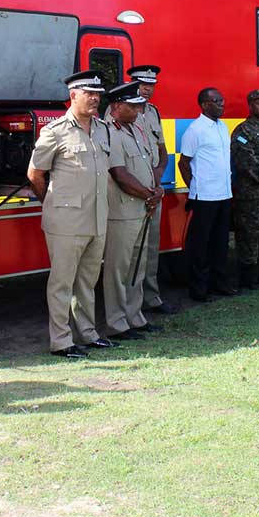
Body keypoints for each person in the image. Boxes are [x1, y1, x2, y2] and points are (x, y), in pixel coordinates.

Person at [27, 71, 119, 359]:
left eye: (98, 94)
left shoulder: (102, 129)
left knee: (87, 281)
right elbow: (35, 174)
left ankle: (88, 334)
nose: (95, 99)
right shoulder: (54, 131)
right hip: (66, 221)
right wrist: (53, 204)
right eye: (89, 93)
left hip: (96, 217)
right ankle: (62, 341)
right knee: (62, 283)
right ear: (73, 96)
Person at [101, 81, 164, 340]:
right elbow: (120, 175)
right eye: (132, 106)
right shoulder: (109, 132)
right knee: (118, 269)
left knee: (137, 266)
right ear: (116, 106)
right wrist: (149, 195)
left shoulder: (136, 130)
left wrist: (154, 190)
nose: (138, 110)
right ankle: (117, 324)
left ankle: (135, 316)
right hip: (123, 210)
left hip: (142, 207)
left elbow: (150, 165)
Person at [128, 64, 179, 315]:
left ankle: (152, 297)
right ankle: (131, 302)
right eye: (142, 84)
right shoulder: (119, 110)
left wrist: (157, 177)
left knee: (151, 245)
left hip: (152, 187)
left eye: (151, 86)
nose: (147, 90)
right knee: (132, 249)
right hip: (131, 190)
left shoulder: (153, 111)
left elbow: (162, 150)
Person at [178, 87, 237, 302]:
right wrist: (194, 186)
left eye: (222, 100)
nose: (221, 104)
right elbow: (183, 162)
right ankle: (199, 289)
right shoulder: (195, 130)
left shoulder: (222, 127)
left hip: (224, 194)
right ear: (204, 105)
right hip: (204, 197)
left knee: (220, 243)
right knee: (201, 246)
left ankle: (219, 283)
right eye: (216, 101)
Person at [231, 90, 259, 290]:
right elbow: (246, 163)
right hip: (251, 195)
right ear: (250, 105)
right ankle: (249, 279)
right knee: (249, 236)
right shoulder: (243, 130)